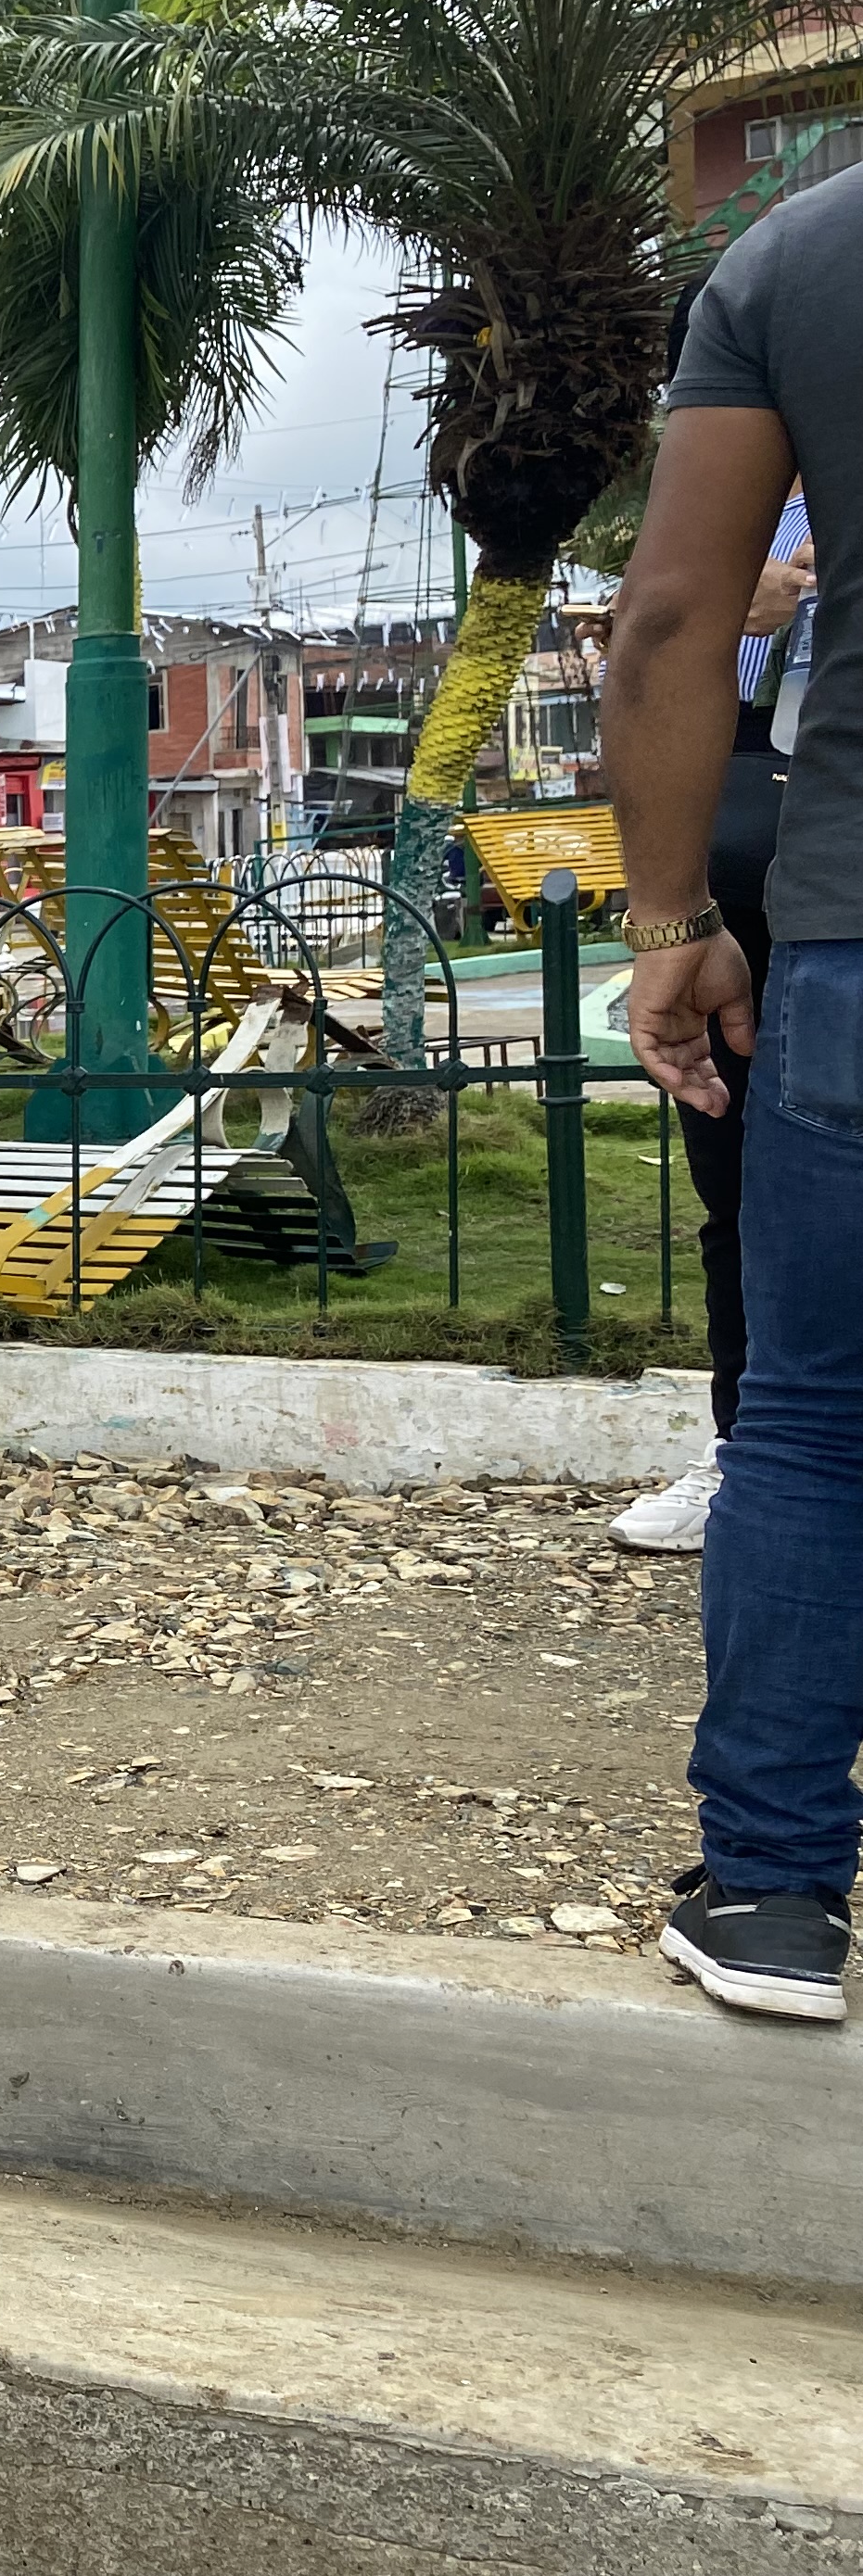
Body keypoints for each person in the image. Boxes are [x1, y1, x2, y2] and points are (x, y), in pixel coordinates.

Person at [602, 164, 863, 2024]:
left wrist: (673, 915)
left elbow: (670, 619)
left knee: (812, 1420)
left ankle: (771, 1892)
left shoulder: (800, 256)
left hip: (852, 933)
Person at [608, 464, 806, 1552]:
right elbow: (647, 656)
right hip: (734, 881)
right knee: (737, 1183)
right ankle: (745, 1445)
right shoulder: (738, 500)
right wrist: (741, 607)